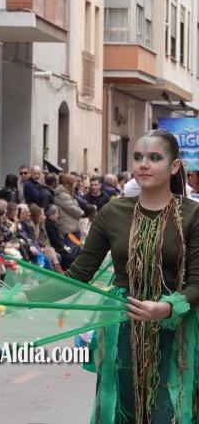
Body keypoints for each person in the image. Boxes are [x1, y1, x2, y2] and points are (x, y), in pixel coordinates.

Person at [35, 130, 199, 423]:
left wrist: (167, 308)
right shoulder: (113, 212)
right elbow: (77, 275)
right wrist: (20, 295)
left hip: (177, 333)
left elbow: (198, 283)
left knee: (171, 412)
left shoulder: (192, 215)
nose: (143, 165)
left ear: (174, 166)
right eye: (138, 158)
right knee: (122, 411)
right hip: (123, 330)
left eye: (154, 158)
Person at [51, 173, 84, 237]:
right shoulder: (64, 196)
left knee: (77, 245)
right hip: (69, 229)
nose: (75, 185)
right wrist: (82, 213)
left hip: (71, 228)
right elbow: (73, 209)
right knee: (75, 246)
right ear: (70, 184)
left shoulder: (65, 194)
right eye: (74, 183)